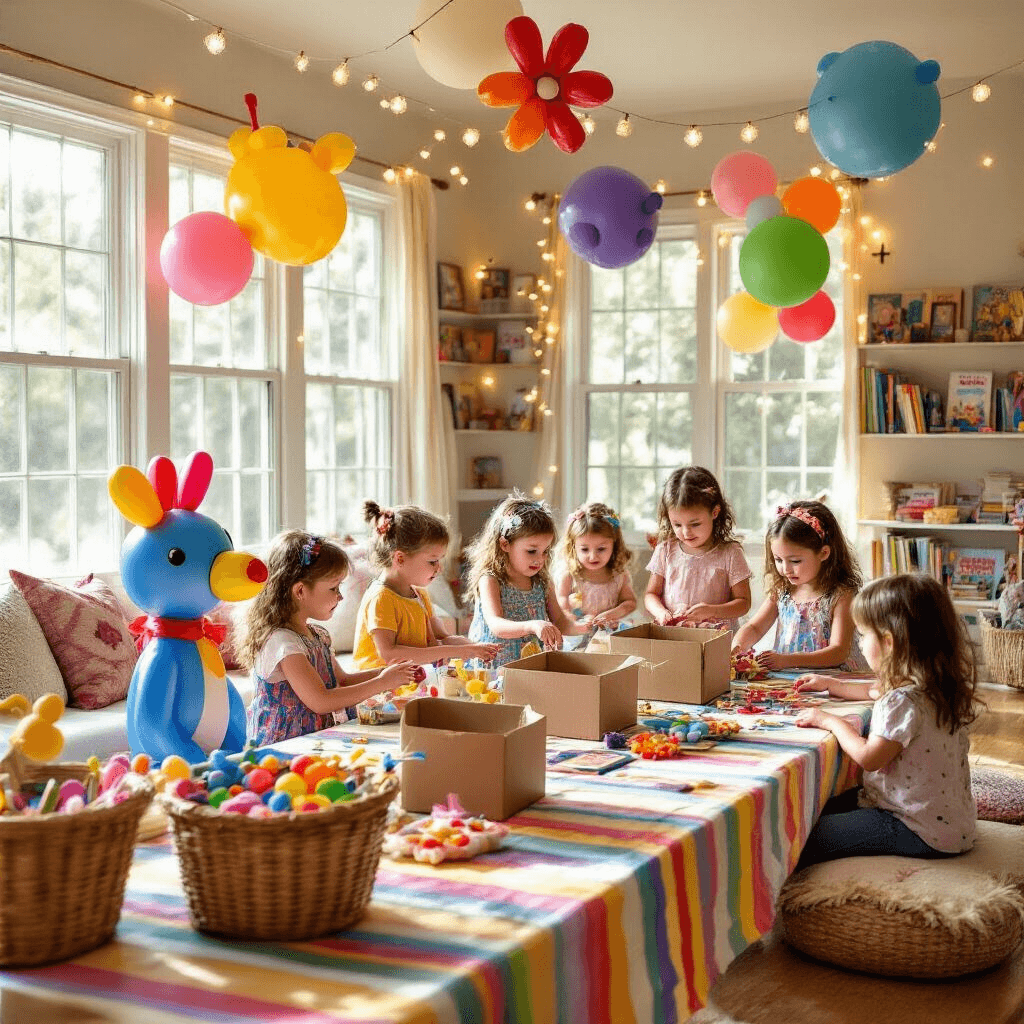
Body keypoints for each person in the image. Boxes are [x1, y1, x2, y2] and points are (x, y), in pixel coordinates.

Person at [793, 574, 979, 867]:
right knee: (824, 806)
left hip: (915, 828)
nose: (862, 642)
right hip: (952, 824)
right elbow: (871, 690)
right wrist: (830, 683)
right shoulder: (934, 685)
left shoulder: (901, 701)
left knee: (805, 837)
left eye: (864, 635)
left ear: (888, 643)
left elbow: (869, 758)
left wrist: (829, 721)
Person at [238, 530, 417, 745]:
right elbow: (321, 701)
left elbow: (341, 680)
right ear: (300, 591)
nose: (340, 596)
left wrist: (390, 673)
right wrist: (383, 682)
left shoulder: (317, 635)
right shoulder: (282, 643)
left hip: (315, 739)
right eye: (334, 587)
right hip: (286, 745)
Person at [353, 501, 499, 669]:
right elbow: (390, 654)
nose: (439, 568)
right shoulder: (381, 599)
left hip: (409, 680)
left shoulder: (419, 595)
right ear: (400, 558)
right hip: (379, 684)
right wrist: (453, 651)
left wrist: (473, 647)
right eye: (432, 561)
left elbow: (443, 638)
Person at [732, 500, 867, 671]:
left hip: (833, 681)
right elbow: (755, 627)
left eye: (795, 561)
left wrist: (787, 660)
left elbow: (838, 651)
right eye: (779, 560)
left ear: (824, 553)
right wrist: (737, 647)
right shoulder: (782, 590)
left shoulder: (841, 595)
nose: (786, 569)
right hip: (790, 680)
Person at [466, 491, 587, 667]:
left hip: (529, 665)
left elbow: (560, 621)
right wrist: (533, 626)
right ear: (505, 544)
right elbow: (496, 625)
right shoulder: (490, 579)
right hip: (494, 667)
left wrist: (585, 626)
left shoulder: (543, 581)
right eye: (531, 551)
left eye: (545, 551)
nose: (540, 559)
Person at [644, 466, 752, 631]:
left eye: (695, 524)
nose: (686, 532)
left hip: (717, 639)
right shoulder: (665, 550)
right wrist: (660, 612)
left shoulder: (730, 553)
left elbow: (743, 603)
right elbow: (651, 594)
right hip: (675, 636)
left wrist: (712, 611)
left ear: (715, 512)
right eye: (677, 524)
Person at [555, 502, 637, 646]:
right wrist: (571, 618)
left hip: (607, 636)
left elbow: (630, 603)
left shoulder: (618, 575)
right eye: (585, 550)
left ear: (614, 544)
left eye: (601, 549)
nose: (593, 557)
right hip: (577, 635)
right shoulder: (570, 575)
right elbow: (560, 604)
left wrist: (611, 615)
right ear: (573, 547)